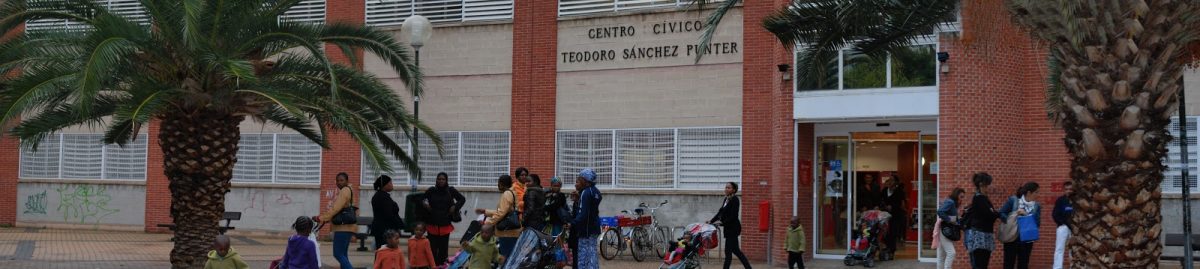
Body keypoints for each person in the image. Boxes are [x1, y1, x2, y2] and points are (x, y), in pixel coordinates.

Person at [423, 172, 466, 265]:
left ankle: (442, 266)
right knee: (432, 250)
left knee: (443, 251)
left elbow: (462, 199)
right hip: (432, 224)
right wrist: (425, 204)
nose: (441, 181)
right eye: (439, 179)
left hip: (445, 225)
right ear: (436, 180)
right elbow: (422, 199)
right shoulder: (431, 190)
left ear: (446, 180)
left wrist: (455, 206)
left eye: (443, 179)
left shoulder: (450, 190)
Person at [316, 172, 356, 269]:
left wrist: (321, 218)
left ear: (347, 181)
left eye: (342, 180)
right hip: (348, 227)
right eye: (337, 180)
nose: (339, 182)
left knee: (338, 254)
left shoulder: (344, 191)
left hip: (342, 227)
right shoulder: (349, 190)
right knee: (343, 255)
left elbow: (336, 208)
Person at [476, 174, 521, 258]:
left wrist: (487, 222)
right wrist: (486, 211)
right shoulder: (512, 192)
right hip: (511, 232)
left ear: (502, 184)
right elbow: (505, 211)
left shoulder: (507, 194)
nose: (498, 186)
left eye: (498, 183)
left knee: (506, 257)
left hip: (507, 232)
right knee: (510, 256)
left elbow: (501, 213)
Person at [710, 182, 752, 269]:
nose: (726, 189)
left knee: (728, 252)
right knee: (736, 251)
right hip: (728, 228)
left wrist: (722, 223)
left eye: (729, 188)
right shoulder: (726, 199)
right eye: (726, 187)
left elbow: (733, 216)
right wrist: (711, 221)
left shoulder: (735, 200)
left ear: (733, 190)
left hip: (733, 228)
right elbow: (720, 212)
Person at [999, 182, 1041, 269]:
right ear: (1029, 192)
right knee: (1008, 263)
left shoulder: (1036, 206)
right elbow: (1002, 213)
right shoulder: (1014, 200)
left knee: (1023, 264)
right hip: (1012, 237)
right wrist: (1012, 218)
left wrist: (1027, 215)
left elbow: (1037, 223)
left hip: (1027, 239)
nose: (1038, 195)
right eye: (1036, 192)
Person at [568, 168, 603, 269]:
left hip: (586, 229)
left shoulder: (585, 193)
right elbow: (591, 209)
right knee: (592, 253)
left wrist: (572, 223)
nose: (577, 182)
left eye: (579, 179)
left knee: (583, 255)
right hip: (594, 227)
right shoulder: (596, 192)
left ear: (585, 180)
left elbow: (583, 213)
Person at [963, 172, 999, 269]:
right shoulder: (978, 198)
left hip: (985, 235)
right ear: (981, 185)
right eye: (987, 185)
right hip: (979, 236)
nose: (989, 187)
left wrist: (994, 213)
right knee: (979, 264)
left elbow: (991, 214)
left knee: (983, 264)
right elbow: (989, 215)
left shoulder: (984, 198)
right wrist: (996, 213)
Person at [371, 175, 404, 250]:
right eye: (390, 182)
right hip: (385, 230)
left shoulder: (380, 196)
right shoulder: (383, 197)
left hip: (381, 228)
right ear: (385, 184)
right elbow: (389, 214)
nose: (392, 185)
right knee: (384, 251)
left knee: (381, 251)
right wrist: (397, 225)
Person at [937, 188, 967, 269]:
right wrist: (950, 220)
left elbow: (952, 216)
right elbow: (940, 211)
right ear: (956, 195)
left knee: (941, 255)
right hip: (946, 231)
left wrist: (957, 218)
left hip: (947, 231)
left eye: (963, 197)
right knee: (951, 253)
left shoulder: (953, 203)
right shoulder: (950, 202)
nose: (962, 199)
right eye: (961, 196)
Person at [880, 175, 907, 261]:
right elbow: (880, 200)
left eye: (892, 180)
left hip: (896, 215)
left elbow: (901, 204)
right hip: (885, 215)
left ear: (896, 182)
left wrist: (893, 207)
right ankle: (886, 249)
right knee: (885, 233)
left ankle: (891, 251)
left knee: (892, 233)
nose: (890, 181)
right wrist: (883, 206)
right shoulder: (884, 190)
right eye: (889, 180)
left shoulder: (899, 191)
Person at [1052, 181, 1074, 269]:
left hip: (1075, 228)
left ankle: (1073, 266)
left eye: (1070, 189)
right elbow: (1055, 214)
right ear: (1063, 190)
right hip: (1063, 227)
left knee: (1073, 249)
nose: (1068, 191)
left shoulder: (1078, 200)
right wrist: (1062, 223)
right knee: (1059, 249)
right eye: (1066, 189)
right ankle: (1057, 267)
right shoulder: (1060, 200)